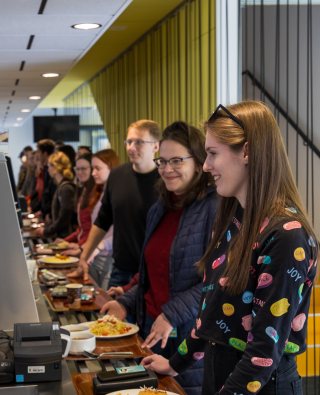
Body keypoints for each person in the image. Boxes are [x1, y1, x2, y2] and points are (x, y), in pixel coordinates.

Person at [141, 102, 319, 395]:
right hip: (223, 371)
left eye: (212, 154)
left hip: (261, 384)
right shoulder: (236, 218)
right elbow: (212, 314)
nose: (206, 165)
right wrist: (175, 363)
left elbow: (263, 351)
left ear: (247, 152)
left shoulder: (287, 235)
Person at [100, 121, 217, 395]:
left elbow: (217, 282)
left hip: (189, 335)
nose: (166, 168)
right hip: (153, 328)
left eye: (177, 160)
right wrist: (125, 303)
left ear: (199, 163)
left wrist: (172, 314)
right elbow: (153, 273)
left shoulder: (215, 208)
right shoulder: (160, 208)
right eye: (162, 161)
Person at [69, 120, 162, 288]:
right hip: (121, 270)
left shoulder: (165, 179)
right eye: (129, 142)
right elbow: (103, 220)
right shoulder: (117, 175)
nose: (131, 147)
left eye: (139, 142)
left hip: (154, 273)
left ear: (155, 146)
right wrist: (84, 257)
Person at [58, 149, 120, 289]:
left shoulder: (117, 195)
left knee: (105, 304)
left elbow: (119, 232)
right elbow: (94, 229)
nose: (93, 173)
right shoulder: (100, 192)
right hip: (96, 255)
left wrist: (94, 248)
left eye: (97, 168)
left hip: (109, 257)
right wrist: (84, 248)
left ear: (112, 167)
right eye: (93, 168)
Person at [38, 152, 77, 238]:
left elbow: (64, 219)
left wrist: (47, 230)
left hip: (66, 236)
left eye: (49, 166)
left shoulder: (66, 188)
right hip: (63, 235)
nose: (48, 170)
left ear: (55, 167)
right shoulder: (61, 186)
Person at [60, 153, 96, 247]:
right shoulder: (83, 190)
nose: (80, 172)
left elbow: (93, 231)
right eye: (77, 169)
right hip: (83, 246)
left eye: (83, 168)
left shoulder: (96, 193)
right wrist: (65, 241)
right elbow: (81, 229)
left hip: (90, 249)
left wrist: (79, 247)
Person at [31, 139, 56, 220]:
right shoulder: (44, 170)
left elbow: (51, 196)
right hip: (43, 212)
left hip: (49, 215)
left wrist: (46, 212)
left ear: (45, 154)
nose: (36, 155)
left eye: (38, 152)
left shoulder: (50, 172)